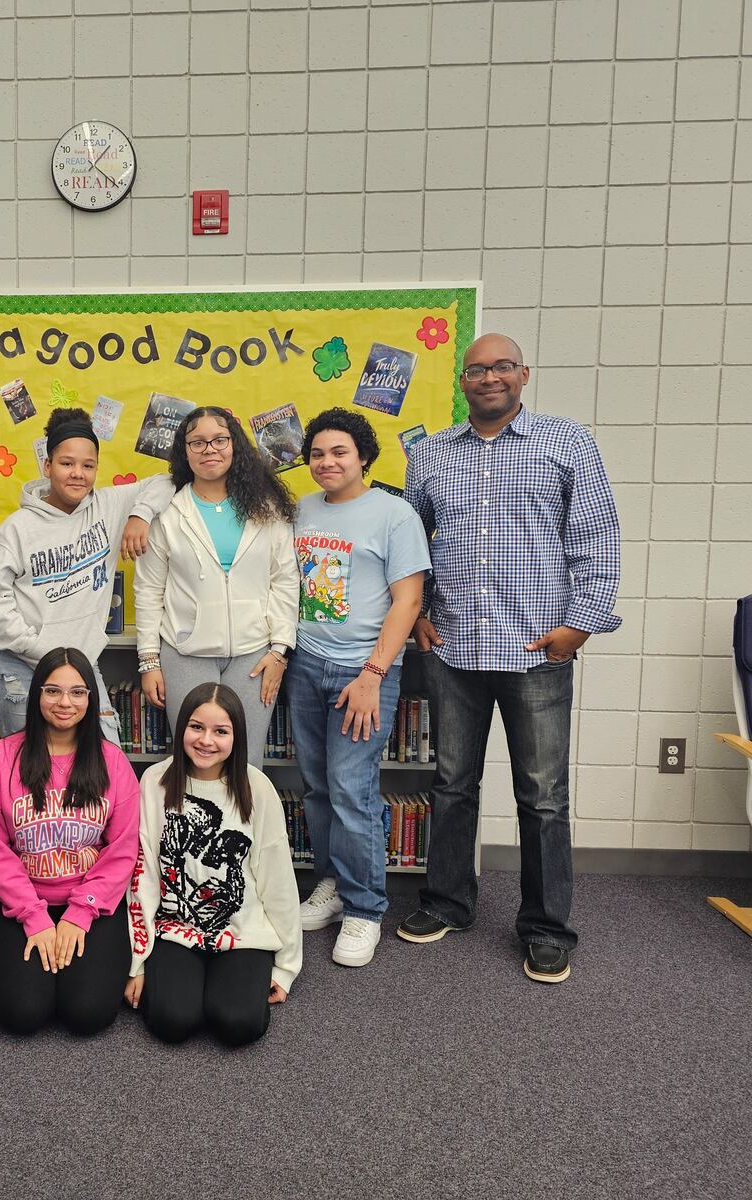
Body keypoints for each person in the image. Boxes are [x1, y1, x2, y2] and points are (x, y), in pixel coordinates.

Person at [396, 333, 621, 985]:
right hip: (455, 649)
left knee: (544, 797)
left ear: (524, 375)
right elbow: (413, 545)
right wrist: (421, 615)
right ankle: (446, 903)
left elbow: (597, 540)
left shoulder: (567, 442)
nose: (488, 377)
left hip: (536, 652)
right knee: (451, 783)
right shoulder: (430, 454)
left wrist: (579, 625)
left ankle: (547, 929)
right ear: (461, 381)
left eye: (501, 367)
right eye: (476, 369)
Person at [287, 408, 432, 969]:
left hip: (364, 671)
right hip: (306, 663)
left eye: (339, 452)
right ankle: (331, 883)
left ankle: (366, 909)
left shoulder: (394, 513)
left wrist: (373, 675)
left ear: (363, 457)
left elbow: (409, 599)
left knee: (353, 788)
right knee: (318, 786)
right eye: (318, 453)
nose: (327, 462)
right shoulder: (299, 509)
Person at [0, 406, 174, 744]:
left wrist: (139, 515)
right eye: (67, 464)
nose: (77, 473)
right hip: (19, 664)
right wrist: (36, 646)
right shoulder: (18, 529)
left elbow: (168, 481)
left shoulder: (109, 506)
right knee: (31, 763)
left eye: (88, 465)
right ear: (48, 466)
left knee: (104, 752)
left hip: (79, 664)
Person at [0, 647, 140, 1035]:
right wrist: (34, 917)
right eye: (53, 691)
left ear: (90, 699)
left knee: (89, 1014)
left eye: (77, 692)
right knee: (22, 1014)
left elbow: (122, 850)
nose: (65, 702)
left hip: (93, 903)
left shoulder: (112, 762)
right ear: (37, 696)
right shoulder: (1, 759)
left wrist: (79, 915)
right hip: (21, 902)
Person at [124, 683, 301, 1046]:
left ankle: (225, 986)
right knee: (172, 1021)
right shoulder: (154, 781)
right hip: (173, 928)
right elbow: (143, 875)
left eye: (221, 731)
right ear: (181, 730)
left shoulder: (258, 788)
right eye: (196, 727)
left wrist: (286, 967)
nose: (206, 740)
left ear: (237, 736)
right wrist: (137, 961)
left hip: (242, 931)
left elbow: (277, 879)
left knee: (238, 1024)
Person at [134, 405, 299, 767]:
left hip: (255, 656)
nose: (209, 449)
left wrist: (280, 650)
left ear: (234, 445)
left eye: (219, 440)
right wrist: (149, 661)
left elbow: (285, 580)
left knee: (246, 760)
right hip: (185, 653)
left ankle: (242, 826)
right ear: (185, 451)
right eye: (197, 442)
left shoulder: (267, 508)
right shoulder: (167, 513)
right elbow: (148, 589)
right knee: (194, 758)